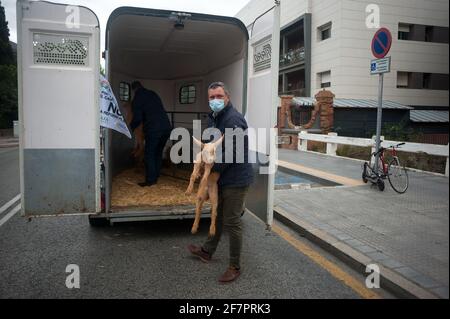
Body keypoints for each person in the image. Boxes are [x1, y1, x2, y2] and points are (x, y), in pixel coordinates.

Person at [188, 81, 253, 283]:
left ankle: (234, 266)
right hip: (221, 177)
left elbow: (233, 152)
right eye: (212, 97)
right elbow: (211, 147)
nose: (215, 100)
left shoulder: (233, 120)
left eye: (219, 96)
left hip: (235, 178)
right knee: (218, 216)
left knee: (232, 222)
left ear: (227, 98)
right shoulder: (215, 118)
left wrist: (208, 170)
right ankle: (207, 251)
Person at [129, 81, 172, 187]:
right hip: (166, 126)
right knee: (158, 152)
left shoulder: (137, 99)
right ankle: (156, 175)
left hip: (154, 129)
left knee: (149, 154)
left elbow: (137, 118)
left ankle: (151, 180)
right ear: (142, 86)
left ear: (134, 90)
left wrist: (131, 127)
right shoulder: (153, 93)